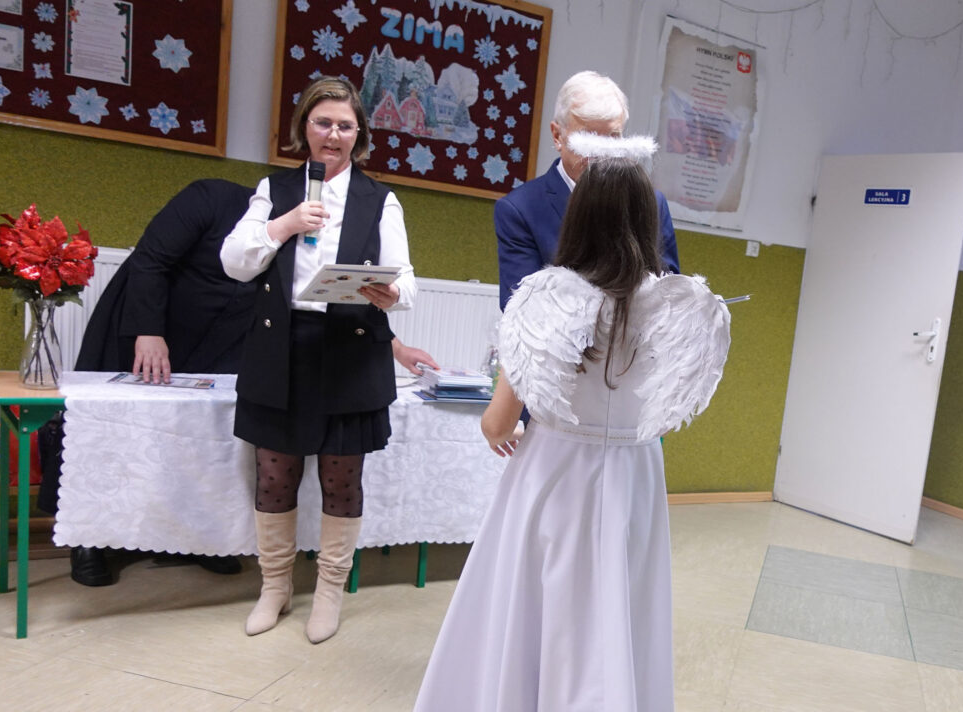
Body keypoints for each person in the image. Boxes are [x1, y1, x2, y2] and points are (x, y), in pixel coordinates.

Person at [414, 144, 731, 710]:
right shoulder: (682, 307)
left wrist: (505, 428)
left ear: (579, 215)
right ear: (648, 219)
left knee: (541, 603)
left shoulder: (547, 298)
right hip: (634, 471)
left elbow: (499, 421)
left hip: (555, 470)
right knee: (620, 601)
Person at [220, 76, 417, 642]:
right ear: (304, 127)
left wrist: (392, 294)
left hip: (350, 350)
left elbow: (406, 279)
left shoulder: (380, 199)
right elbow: (234, 261)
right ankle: (274, 588)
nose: (333, 134)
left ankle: (329, 591)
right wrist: (285, 224)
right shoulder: (275, 189)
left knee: (341, 479)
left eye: (345, 126)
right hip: (280, 349)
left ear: (360, 134)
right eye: (323, 122)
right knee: (274, 476)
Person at [39, 178, 256, 587]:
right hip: (147, 325)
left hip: (221, 336)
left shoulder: (302, 228)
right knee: (109, 430)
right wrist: (148, 330)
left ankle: (191, 539)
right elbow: (151, 259)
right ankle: (87, 541)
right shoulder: (211, 197)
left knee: (197, 440)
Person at [495, 70, 681, 310]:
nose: (601, 151)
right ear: (557, 135)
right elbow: (520, 307)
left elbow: (670, 295)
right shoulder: (520, 210)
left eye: (612, 137)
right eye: (588, 135)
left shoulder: (652, 203)